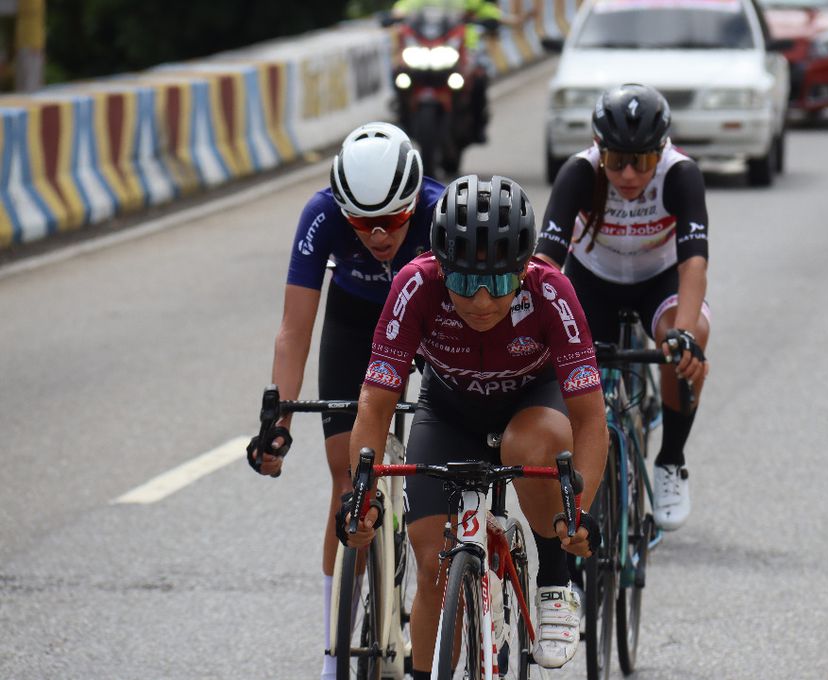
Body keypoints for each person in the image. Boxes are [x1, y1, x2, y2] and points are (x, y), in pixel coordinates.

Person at [344, 174, 609, 676]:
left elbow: (591, 418)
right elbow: (375, 405)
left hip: (531, 408)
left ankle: (555, 576)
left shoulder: (552, 291)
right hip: (449, 413)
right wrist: (364, 498)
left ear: (524, 269)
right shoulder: (414, 285)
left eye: (500, 283)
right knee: (432, 567)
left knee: (526, 441)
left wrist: (580, 513)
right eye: (464, 281)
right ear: (441, 269)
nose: (482, 301)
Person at [246, 121, 444, 680]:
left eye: (393, 222)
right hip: (356, 319)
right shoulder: (321, 214)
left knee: (440, 458)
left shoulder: (438, 211)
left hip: (430, 320)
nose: (379, 236)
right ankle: (334, 651)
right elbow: (294, 331)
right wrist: (277, 423)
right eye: (364, 223)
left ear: (415, 203)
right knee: (344, 475)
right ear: (342, 208)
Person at [535, 83, 710, 531]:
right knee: (561, 355)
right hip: (593, 280)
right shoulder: (578, 173)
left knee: (688, 341)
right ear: (599, 150)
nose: (629, 175)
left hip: (659, 279)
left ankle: (670, 460)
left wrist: (684, 334)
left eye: (642, 161)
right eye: (617, 161)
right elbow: (545, 264)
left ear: (662, 151)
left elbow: (693, 265)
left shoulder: (681, 174)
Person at [389, 0, 504, 143]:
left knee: (479, 80)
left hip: (464, 50)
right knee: (399, 74)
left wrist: (492, 18)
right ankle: (402, 117)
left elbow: (486, 9)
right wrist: (396, 15)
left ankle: (478, 126)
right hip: (427, 47)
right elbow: (404, 7)